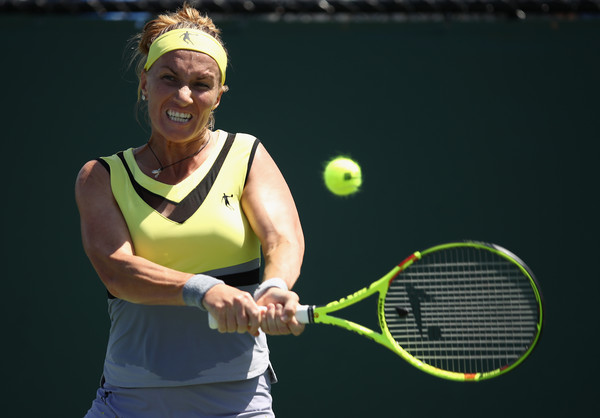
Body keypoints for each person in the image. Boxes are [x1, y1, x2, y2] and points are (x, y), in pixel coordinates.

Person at [75, 4, 305, 417]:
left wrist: (276, 287)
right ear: (145, 82)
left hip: (239, 402)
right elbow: (117, 270)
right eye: (169, 79)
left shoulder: (245, 155)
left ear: (219, 95)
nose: (183, 96)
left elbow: (281, 238)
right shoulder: (102, 176)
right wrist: (205, 290)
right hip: (130, 400)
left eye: (201, 84)